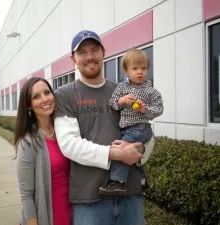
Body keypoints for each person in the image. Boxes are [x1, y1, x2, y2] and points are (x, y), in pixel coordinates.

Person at [54, 30, 155, 225]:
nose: (89, 56)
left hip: (130, 197)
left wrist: (141, 150)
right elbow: (69, 145)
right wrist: (116, 154)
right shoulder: (65, 95)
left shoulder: (125, 92)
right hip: (89, 201)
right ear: (73, 58)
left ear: (103, 52)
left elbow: (146, 132)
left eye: (94, 50)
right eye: (82, 52)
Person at [99, 48, 164, 195]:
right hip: (127, 128)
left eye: (143, 68)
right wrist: (121, 100)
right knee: (132, 153)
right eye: (135, 68)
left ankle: (118, 182)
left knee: (122, 151)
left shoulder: (150, 91)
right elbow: (112, 103)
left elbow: (159, 109)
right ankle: (142, 180)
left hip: (141, 127)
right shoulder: (122, 87)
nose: (139, 72)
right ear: (126, 71)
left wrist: (144, 109)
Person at [14, 77, 71, 225]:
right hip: (48, 217)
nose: (45, 99)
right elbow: (26, 196)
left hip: (74, 213)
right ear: (29, 105)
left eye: (47, 92)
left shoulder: (66, 132)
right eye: (36, 96)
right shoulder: (28, 143)